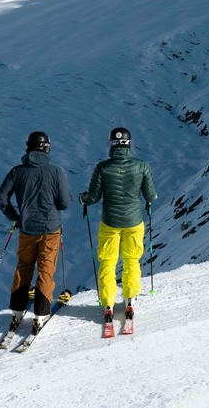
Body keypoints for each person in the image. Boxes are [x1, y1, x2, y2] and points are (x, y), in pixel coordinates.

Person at [0, 130, 72, 335]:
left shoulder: (17, 172)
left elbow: (1, 198)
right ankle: (41, 313)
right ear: (47, 148)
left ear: (28, 147)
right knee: (46, 270)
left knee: (24, 268)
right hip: (50, 230)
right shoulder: (56, 172)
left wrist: (15, 217)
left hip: (27, 229)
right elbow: (65, 203)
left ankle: (17, 310)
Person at [79, 126, 157, 326]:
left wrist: (83, 199)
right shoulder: (142, 166)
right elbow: (151, 196)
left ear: (111, 144)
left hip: (110, 223)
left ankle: (107, 304)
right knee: (132, 260)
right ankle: (130, 299)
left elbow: (93, 197)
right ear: (129, 144)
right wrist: (148, 201)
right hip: (133, 222)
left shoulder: (102, 168)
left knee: (107, 262)